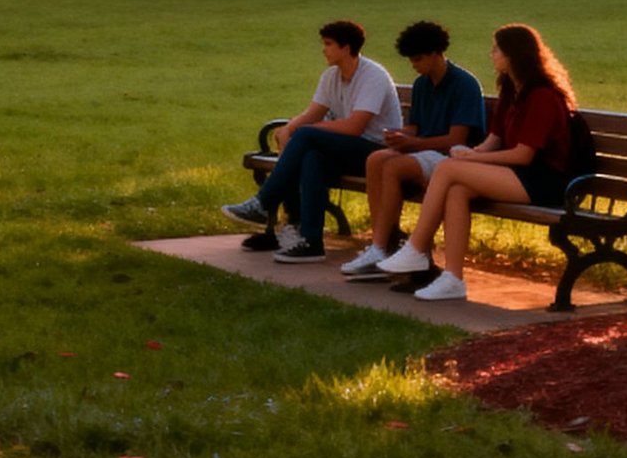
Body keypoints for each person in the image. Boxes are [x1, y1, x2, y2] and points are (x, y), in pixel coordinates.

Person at [378, 25, 580, 302]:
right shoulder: (511, 90)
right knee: (457, 189)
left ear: (513, 54)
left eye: (496, 49)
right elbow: (494, 140)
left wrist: (475, 158)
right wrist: (469, 152)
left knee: (448, 168)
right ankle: (453, 279)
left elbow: (523, 155)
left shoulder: (542, 96)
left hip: (544, 181)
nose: (491, 54)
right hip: (515, 174)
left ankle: (415, 248)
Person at [221, 19, 402, 263]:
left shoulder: (373, 76)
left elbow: (354, 127)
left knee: (307, 136)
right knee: (311, 158)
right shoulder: (331, 76)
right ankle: (311, 242)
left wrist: (306, 131)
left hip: (376, 152)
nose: (323, 49)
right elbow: (311, 114)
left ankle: (263, 204)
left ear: (346, 48)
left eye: (328, 44)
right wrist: (288, 129)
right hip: (347, 150)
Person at [339, 20, 490, 281]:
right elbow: (415, 127)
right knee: (376, 159)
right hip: (423, 152)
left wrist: (413, 144)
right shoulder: (422, 84)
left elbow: (456, 138)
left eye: (419, 59)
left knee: (393, 166)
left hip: (451, 157)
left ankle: (384, 245)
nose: (415, 65)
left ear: (436, 53)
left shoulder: (464, 84)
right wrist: (398, 136)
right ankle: (380, 244)